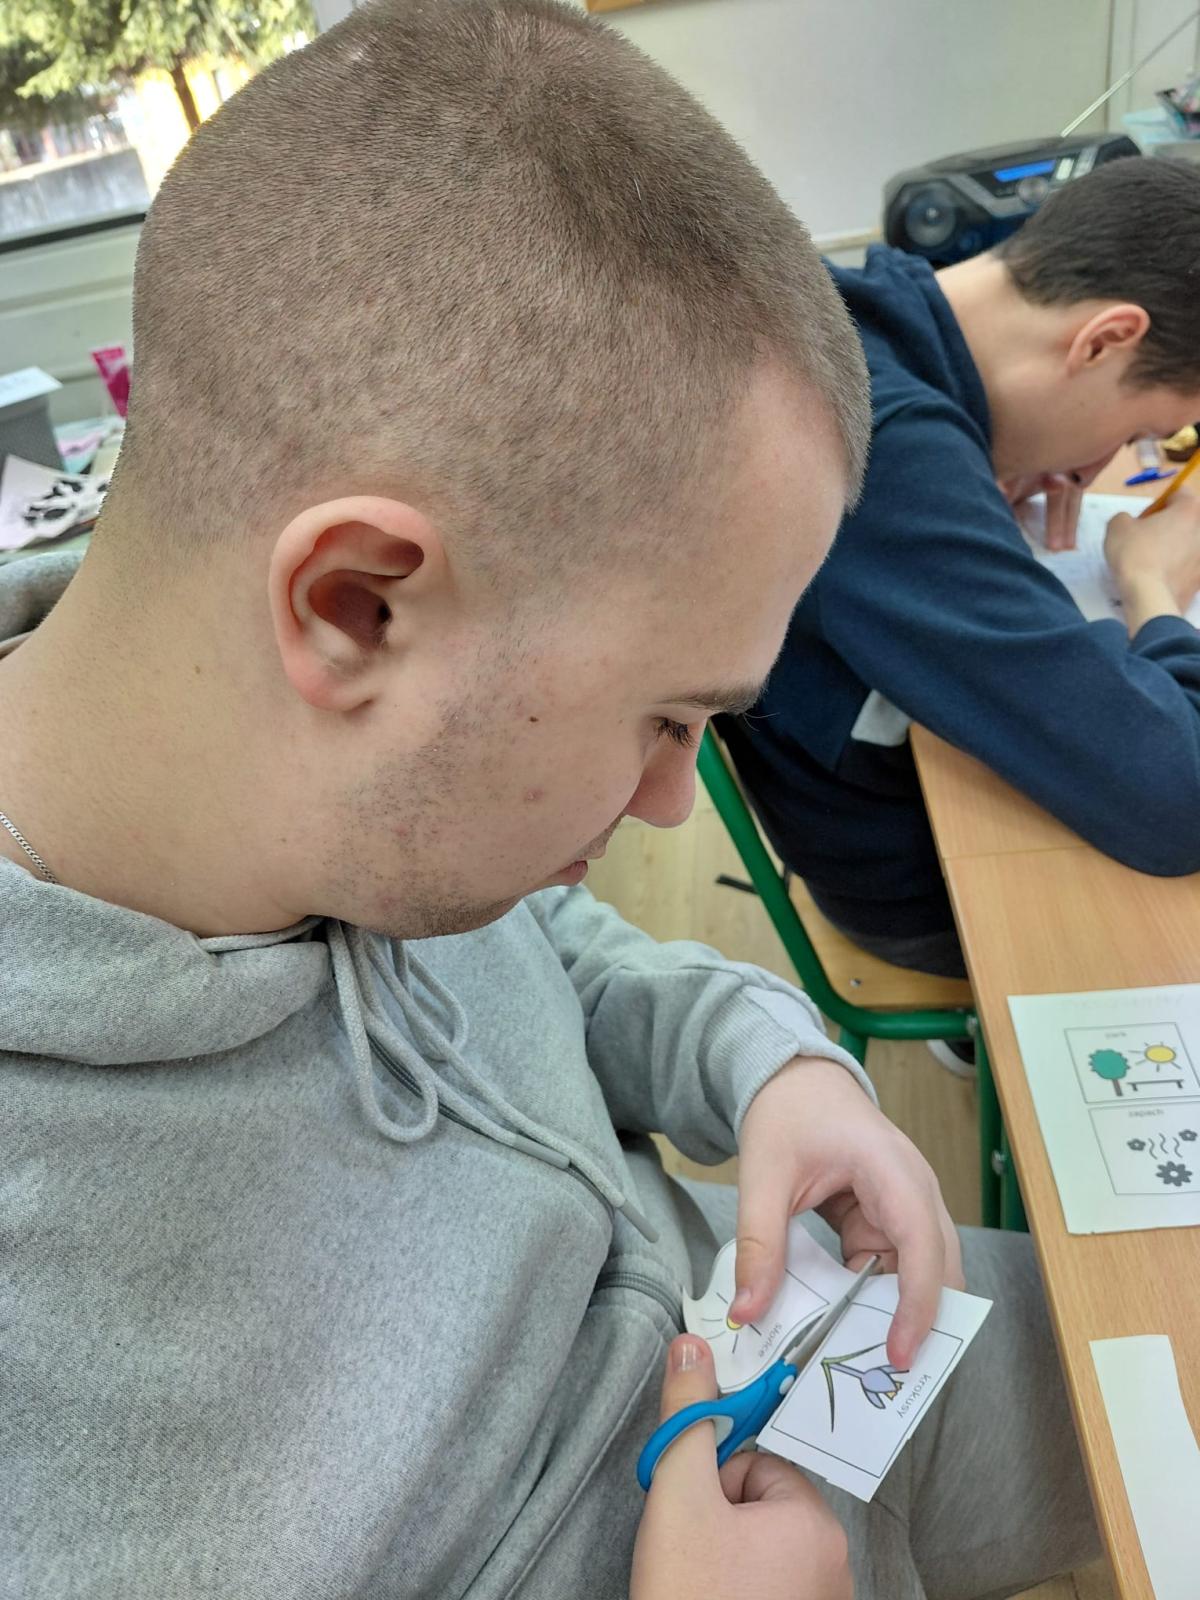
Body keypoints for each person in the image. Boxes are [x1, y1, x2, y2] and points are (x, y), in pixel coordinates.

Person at [0, 3, 1094, 1596]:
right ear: (357, 605)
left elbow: (535, 955)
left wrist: (767, 1065)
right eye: (663, 718)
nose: (671, 805)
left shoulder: (305, 783)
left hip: (760, 1342)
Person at [722, 158, 1200, 982]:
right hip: (917, 886)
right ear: (1103, 340)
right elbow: (1177, 798)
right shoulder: (885, 449)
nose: (1106, 463)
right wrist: (1154, 583)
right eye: (1142, 431)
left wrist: (985, 453)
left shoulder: (856, 311)